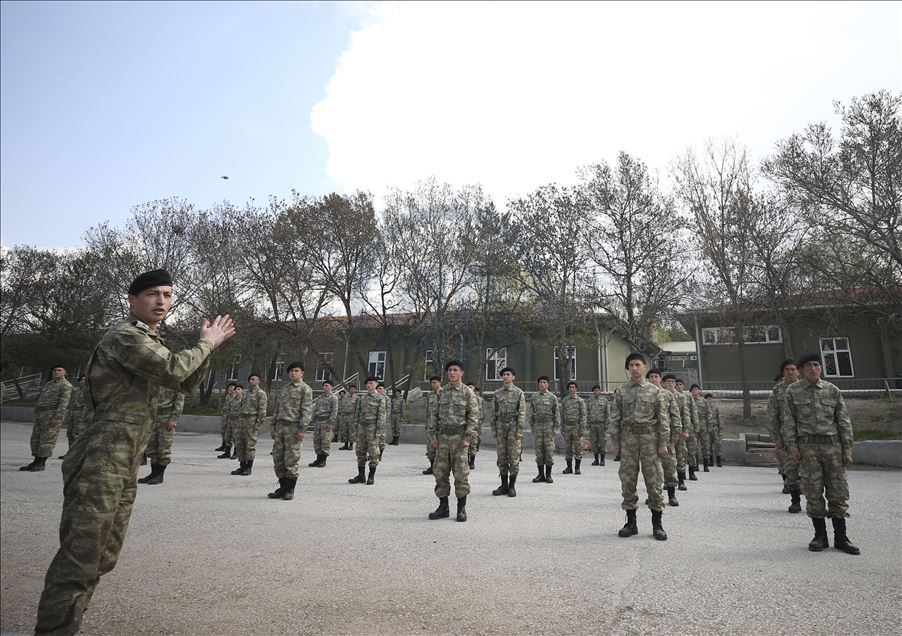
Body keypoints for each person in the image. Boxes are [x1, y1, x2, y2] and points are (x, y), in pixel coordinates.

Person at [34, 269, 234, 635]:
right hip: (100, 461)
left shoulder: (149, 339)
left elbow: (185, 382)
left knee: (102, 557)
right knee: (79, 561)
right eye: (153, 294)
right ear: (132, 299)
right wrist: (209, 344)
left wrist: (208, 348)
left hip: (124, 462)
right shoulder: (125, 337)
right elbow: (174, 368)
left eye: (168, 295)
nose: (161, 301)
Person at [785, 353, 859, 555]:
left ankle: (842, 538)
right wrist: (793, 448)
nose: (813, 368)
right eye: (808, 365)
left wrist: (847, 449)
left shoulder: (832, 390)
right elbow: (789, 422)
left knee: (838, 491)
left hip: (833, 447)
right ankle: (820, 536)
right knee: (813, 491)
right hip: (808, 448)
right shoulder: (793, 391)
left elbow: (843, 421)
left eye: (816, 364)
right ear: (800, 369)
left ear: (821, 368)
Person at [610, 352, 670, 541]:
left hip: (649, 440)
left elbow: (662, 419)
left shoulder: (655, 391)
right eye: (631, 365)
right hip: (628, 439)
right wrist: (616, 442)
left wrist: (662, 443)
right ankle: (631, 523)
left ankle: (657, 524)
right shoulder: (621, 392)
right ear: (628, 369)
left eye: (638, 364)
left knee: (654, 481)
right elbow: (615, 418)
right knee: (628, 481)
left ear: (644, 367)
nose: (634, 368)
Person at [427, 361, 479, 522]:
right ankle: (443, 507)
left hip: (459, 439)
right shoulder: (440, 393)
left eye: (455, 370)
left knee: (461, 474)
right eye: (449, 370)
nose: (452, 373)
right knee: (440, 473)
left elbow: (473, 417)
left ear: (461, 373)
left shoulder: (468, 393)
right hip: (442, 439)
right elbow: (433, 415)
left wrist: (467, 438)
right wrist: (433, 436)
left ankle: (461, 508)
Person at [267, 362, 313, 501]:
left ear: (302, 373)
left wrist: (302, 430)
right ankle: (282, 488)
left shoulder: (305, 389)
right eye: (291, 371)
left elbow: (306, 411)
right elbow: (277, 408)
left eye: (296, 370)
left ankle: (290, 490)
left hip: (294, 428)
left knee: (291, 459)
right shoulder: (284, 389)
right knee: (278, 459)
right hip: (281, 427)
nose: (293, 373)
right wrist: (273, 425)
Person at [20, 365, 72, 472]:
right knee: (36, 438)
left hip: (51, 415)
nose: (56, 372)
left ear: (64, 372)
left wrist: (57, 418)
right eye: (54, 370)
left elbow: (63, 404)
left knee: (47, 439)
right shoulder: (49, 384)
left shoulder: (66, 385)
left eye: (59, 370)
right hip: (41, 415)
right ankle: (35, 461)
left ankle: (41, 463)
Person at [490, 367, 526, 496]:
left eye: (508, 374)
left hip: (513, 427)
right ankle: (504, 485)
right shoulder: (497, 393)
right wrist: (494, 429)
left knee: (514, 457)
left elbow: (521, 413)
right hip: (501, 427)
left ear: (513, 377)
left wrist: (520, 430)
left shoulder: (519, 393)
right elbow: (493, 412)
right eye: (504, 374)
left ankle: (512, 486)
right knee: (501, 457)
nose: (505, 376)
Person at [137, 386, 184, 485]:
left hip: (166, 417)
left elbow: (179, 402)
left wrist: (173, 418)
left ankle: (160, 474)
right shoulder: (156, 380)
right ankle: (153, 473)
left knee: (163, 446)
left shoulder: (175, 381)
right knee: (152, 446)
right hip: (152, 416)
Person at [647, 369, 681, 507]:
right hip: (649, 437)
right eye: (651, 377)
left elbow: (675, 415)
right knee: (651, 469)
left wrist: (676, 432)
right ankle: (653, 495)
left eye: (656, 376)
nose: (653, 379)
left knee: (669, 466)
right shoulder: (645, 394)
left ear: (660, 379)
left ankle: (672, 494)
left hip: (666, 436)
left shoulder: (667, 395)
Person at [768, 361, 799, 502]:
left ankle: (813, 501)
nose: (790, 372)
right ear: (783, 372)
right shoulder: (777, 390)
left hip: (805, 434)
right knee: (790, 468)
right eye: (787, 369)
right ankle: (795, 500)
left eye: (793, 369)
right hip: (786, 435)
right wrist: (776, 437)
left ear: (798, 371)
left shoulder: (806, 388)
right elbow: (773, 415)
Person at [348, 376, 387, 485]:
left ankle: (371, 476)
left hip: (372, 428)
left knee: (374, 452)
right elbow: (358, 413)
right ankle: (361, 476)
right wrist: (355, 428)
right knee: (360, 451)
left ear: (376, 384)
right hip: (362, 428)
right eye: (367, 383)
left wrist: (379, 430)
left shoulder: (380, 398)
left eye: (371, 383)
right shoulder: (362, 398)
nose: (369, 385)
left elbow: (381, 415)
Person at [231, 373, 267, 476]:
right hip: (242, 420)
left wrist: (258, 423)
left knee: (249, 445)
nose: (251, 381)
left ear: (258, 381)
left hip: (252, 420)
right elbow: (241, 406)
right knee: (240, 443)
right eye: (250, 379)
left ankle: (248, 467)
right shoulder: (245, 393)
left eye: (253, 379)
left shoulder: (261, 394)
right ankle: (242, 466)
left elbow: (262, 410)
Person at [528, 376, 559, 484]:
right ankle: (540, 474)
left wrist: (555, 428)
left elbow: (557, 413)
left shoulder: (552, 397)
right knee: (539, 451)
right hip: (538, 427)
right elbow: (531, 412)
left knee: (549, 451)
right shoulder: (534, 397)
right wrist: (531, 425)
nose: (542, 384)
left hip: (548, 427)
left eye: (544, 382)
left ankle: (548, 475)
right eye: (540, 382)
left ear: (548, 384)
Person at [663, 374, 691, 490]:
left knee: (680, 456)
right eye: (668, 381)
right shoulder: (661, 395)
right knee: (666, 458)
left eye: (672, 381)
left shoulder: (681, 397)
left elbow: (685, 415)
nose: (670, 383)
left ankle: (681, 480)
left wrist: (686, 430)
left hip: (677, 431)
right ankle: (667, 481)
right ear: (664, 383)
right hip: (665, 432)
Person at [309, 380, 339, 467]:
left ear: (331, 387)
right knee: (317, 441)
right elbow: (315, 409)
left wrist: (330, 423)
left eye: (327, 385)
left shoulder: (333, 398)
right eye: (324, 386)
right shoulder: (320, 397)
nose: (325, 387)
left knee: (325, 441)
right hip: (318, 421)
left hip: (326, 421)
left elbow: (334, 411)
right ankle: (318, 459)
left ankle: (323, 460)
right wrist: (314, 419)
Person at [560, 381, 587, 475]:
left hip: (576, 427)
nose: (571, 389)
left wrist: (582, 428)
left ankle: (577, 468)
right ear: (568, 389)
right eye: (570, 387)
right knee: (567, 448)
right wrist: (561, 426)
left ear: (576, 389)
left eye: (573, 387)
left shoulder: (580, 401)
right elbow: (562, 414)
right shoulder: (564, 400)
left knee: (578, 448)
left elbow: (583, 416)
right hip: (567, 427)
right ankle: (569, 467)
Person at [675, 379, 699, 480]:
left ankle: (692, 471)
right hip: (678, 427)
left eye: (681, 384)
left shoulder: (688, 396)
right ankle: (682, 472)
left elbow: (693, 411)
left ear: (683, 386)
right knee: (681, 452)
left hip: (689, 427)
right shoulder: (672, 396)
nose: (679, 386)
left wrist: (696, 426)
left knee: (691, 450)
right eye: (677, 384)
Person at [58, 376, 86, 459]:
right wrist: (69, 412)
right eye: (81, 380)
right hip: (73, 413)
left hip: (80, 414)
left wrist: (84, 415)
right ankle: (70, 452)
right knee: (69, 433)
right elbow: (71, 402)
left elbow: (88, 405)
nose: (83, 381)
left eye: (85, 380)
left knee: (76, 434)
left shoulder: (89, 391)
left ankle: (77, 454)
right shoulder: (77, 391)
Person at [422, 376, 442, 474]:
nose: (433, 384)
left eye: (435, 382)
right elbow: (427, 411)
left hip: (441, 425)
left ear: (439, 382)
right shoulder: (430, 395)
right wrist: (427, 423)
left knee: (440, 447)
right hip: (430, 425)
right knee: (430, 447)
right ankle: (432, 466)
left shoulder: (444, 394)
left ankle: (439, 468)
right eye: (432, 383)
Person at [217, 383, 243, 459]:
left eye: (239, 389)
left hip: (237, 421)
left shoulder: (243, 400)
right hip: (229, 420)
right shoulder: (231, 399)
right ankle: (227, 452)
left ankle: (236, 453)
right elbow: (227, 408)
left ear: (242, 391)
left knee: (236, 437)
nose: (237, 391)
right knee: (227, 436)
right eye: (236, 389)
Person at [690, 384, 711, 472]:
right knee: (694, 446)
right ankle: (695, 465)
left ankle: (706, 465)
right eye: (693, 389)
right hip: (693, 425)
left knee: (705, 445)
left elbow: (709, 413)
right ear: (691, 391)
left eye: (696, 389)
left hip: (703, 425)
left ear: (699, 391)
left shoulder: (704, 401)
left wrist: (709, 424)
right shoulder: (689, 400)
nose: (695, 391)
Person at [587, 385, 609, 466]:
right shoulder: (589, 401)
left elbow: (607, 413)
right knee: (594, 442)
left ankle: (602, 460)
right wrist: (587, 423)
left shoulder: (604, 400)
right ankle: (596, 460)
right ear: (593, 392)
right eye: (595, 390)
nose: (596, 392)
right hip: (593, 424)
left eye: (597, 390)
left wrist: (606, 424)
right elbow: (587, 413)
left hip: (601, 424)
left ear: (600, 391)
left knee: (602, 442)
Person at [215, 382, 238, 452]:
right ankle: (223, 445)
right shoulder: (228, 396)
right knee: (223, 432)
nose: (230, 388)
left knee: (230, 434)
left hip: (230, 418)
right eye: (229, 387)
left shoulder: (235, 396)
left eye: (232, 387)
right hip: (225, 417)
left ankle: (230, 448)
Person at [465, 383, 482, 469]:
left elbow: (480, 413)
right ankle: (466, 461)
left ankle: (472, 462)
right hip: (465, 425)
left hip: (475, 425)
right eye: (468, 387)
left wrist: (477, 425)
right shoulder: (464, 397)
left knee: (473, 444)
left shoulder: (478, 399)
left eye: (471, 387)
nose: (469, 388)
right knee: (465, 444)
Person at [338, 385, 359, 451]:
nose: (351, 390)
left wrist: (356, 418)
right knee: (344, 431)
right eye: (350, 389)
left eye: (353, 389)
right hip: (345, 416)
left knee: (351, 431)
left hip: (352, 416)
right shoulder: (345, 397)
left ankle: (351, 445)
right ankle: (345, 444)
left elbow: (358, 409)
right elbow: (342, 406)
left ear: (355, 390)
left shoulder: (357, 398)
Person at [705, 394, 723, 467]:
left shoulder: (715, 408)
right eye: (707, 399)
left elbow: (719, 418)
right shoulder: (704, 408)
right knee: (708, 445)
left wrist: (720, 428)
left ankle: (719, 461)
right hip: (707, 428)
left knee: (717, 444)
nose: (709, 400)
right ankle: (711, 461)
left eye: (710, 398)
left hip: (715, 428)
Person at [376, 383, 391, 460]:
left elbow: (388, 409)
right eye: (378, 389)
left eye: (380, 388)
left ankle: (380, 455)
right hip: (374, 421)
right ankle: (373, 454)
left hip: (382, 421)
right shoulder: (374, 398)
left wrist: (385, 419)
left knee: (382, 438)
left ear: (384, 390)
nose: (379, 390)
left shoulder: (387, 398)